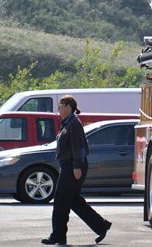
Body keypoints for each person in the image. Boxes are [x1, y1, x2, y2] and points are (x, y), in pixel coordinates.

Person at [41, 95, 111, 245]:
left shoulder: (74, 124)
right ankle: (101, 225)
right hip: (68, 165)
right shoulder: (67, 123)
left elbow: (79, 147)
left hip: (73, 166)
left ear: (68, 107)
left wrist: (77, 166)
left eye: (60, 106)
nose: (58, 109)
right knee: (73, 200)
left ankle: (57, 236)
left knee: (60, 201)